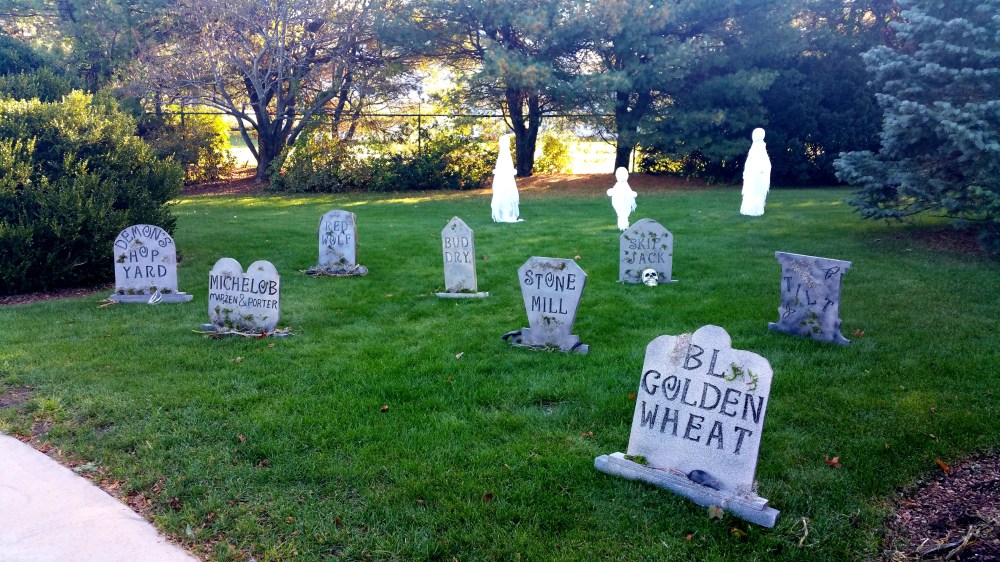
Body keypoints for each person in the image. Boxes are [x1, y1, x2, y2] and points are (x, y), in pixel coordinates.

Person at [740, 128, 772, 216]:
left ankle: (755, 208)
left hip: (757, 173)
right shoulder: (758, 148)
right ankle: (755, 209)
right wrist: (762, 169)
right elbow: (758, 161)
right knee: (756, 190)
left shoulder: (757, 147)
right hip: (758, 174)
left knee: (755, 191)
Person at [490, 135, 520, 222]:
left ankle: (505, 213)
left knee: (505, 194)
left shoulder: (504, 155)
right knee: (505, 193)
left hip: (504, 179)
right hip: (504, 179)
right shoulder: (504, 155)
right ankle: (505, 213)